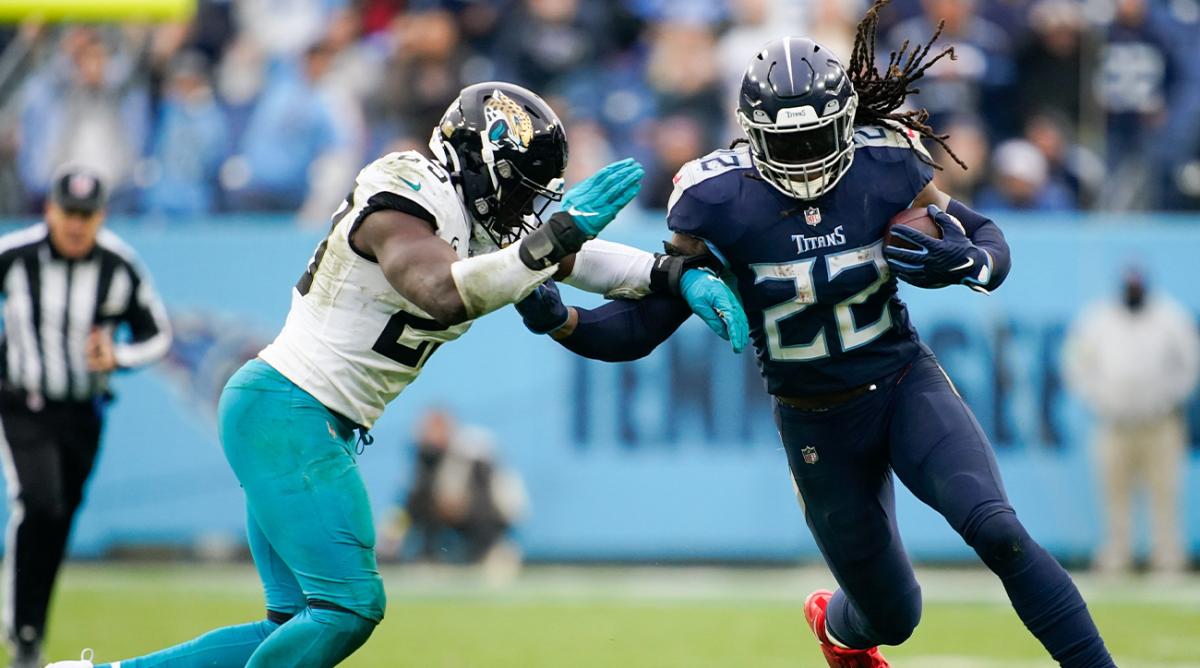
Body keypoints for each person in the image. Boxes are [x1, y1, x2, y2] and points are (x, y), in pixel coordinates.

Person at [46, 81, 748, 668]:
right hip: (289, 409)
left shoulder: (485, 222)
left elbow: (591, 264)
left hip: (303, 419)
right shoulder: (404, 186)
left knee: (289, 629)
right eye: (524, 190)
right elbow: (440, 289)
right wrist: (554, 237)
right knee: (350, 607)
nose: (529, 209)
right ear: (483, 162)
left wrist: (674, 276)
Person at [515, 5, 1116, 666]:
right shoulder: (715, 201)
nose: (804, 158)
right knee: (893, 614)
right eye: (787, 143)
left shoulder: (885, 161)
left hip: (902, 383)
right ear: (750, 134)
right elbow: (644, 326)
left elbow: (986, 239)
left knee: (999, 532)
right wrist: (562, 321)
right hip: (816, 423)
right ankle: (835, 625)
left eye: (817, 137)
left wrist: (969, 262)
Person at [0, 166, 171, 668]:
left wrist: (118, 357)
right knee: (39, 501)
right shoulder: (16, 256)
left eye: (86, 215)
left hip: (83, 412)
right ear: (50, 209)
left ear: (100, 216)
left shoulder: (119, 265)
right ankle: (23, 632)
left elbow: (156, 334)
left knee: (60, 517)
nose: (76, 225)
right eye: (68, 213)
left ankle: (31, 628)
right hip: (23, 402)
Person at [1063, 267, 1200, 575]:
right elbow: (1074, 360)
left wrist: (1168, 398)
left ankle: (1167, 558)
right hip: (1113, 422)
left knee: (1164, 491)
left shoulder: (1170, 317)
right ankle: (1117, 556)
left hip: (1160, 421)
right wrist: (1095, 398)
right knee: (1113, 492)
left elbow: (1190, 363)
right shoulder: (1097, 318)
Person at [389, 409, 527, 577]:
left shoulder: (474, 451)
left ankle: (492, 551)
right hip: (450, 510)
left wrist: (454, 501)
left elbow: (492, 494)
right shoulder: (424, 456)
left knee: (481, 511)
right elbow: (410, 499)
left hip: (490, 511)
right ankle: (428, 556)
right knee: (421, 504)